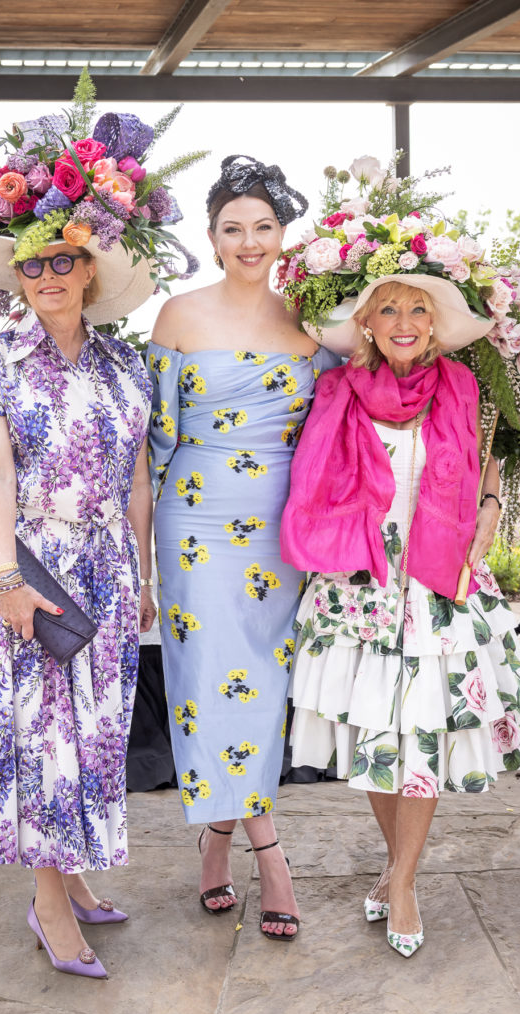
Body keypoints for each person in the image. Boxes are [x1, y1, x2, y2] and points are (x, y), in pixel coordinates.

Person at [0, 107, 194, 978]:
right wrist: (6, 578)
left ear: (89, 270)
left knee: (96, 731)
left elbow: (138, 481)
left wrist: (143, 571)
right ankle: (47, 904)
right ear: (16, 272)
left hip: (109, 569)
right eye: (32, 260)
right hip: (28, 566)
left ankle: (73, 877)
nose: (47, 273)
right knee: (42, 734)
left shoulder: (124, 367)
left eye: (64, 258)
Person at [280, 274, 520, 957]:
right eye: (387, 308)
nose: (403, 320)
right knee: (376, 731)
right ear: (364, 321)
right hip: (359, 572)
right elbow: (313, 474)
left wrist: (489, 508)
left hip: (436, 574)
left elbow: (485, 464)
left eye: (417, 308)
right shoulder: (335, 390)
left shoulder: (458, 384)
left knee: (420, 727)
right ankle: (397, 868)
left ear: (434, 323)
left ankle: (400, 883)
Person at [146, 155, 339, 941]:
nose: (249, 240)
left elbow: (340, 427)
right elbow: (152, 441)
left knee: (262, 683)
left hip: (279, 526)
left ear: (283, 235)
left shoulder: (314, 320)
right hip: (192, 526)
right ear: (212, 237)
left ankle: (217, 837)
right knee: (206, 684)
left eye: (263, 227)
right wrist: (137, 557)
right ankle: (269, 851)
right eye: (233, 228)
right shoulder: (178, 316)